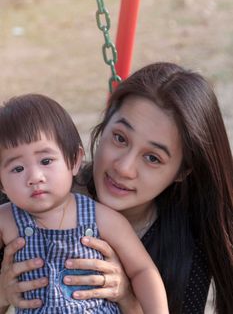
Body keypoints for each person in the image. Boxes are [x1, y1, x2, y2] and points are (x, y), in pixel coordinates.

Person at [1, 62, 233, 314]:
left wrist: (128, 299)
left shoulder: (190, 237)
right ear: (104, 125)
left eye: (152, 158)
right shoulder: (22, 197)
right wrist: (3, 295)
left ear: (181, 171)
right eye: (120, 138)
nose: (124, 168)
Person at [0, 94, 169, 314]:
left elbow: (143, 270)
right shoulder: (7, 219)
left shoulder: (101, 217)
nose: (34, 176)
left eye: (46, 161)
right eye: (17, 169)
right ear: (2, 184)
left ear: (74, 160)